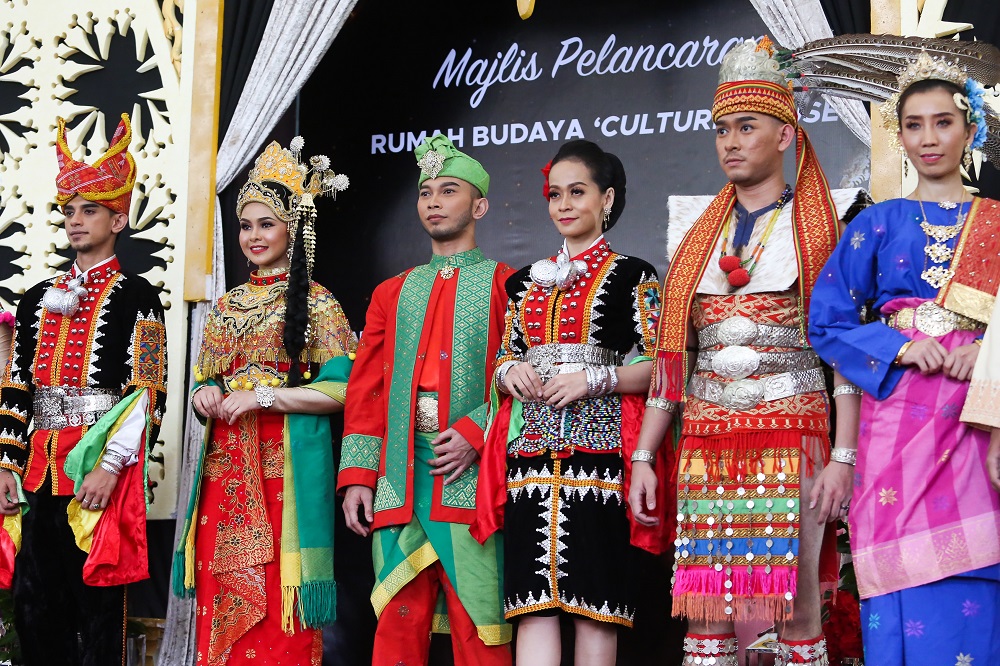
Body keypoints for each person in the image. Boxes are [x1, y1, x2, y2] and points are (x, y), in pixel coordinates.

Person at [627, 37, 866, 666]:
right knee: (706, 616)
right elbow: (673, 359)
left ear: (785, 135)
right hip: (706, 435)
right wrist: (646, 455)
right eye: (721, 129)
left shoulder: (824, 220)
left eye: (747, 127)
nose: (730, 142)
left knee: (799, 605)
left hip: (796, 430)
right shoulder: (694, 228)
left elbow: (840, 355)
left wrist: (844, 456)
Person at [808, 50, 1000, 664]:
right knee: (899, 581)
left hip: (981, 416)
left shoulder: (995, 222)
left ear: (971, 130)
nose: (928, 138)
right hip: (900, 419)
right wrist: (898, 344)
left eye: (943, 122)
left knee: (977, 585)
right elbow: (827, 321)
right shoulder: (878, 222)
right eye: (913, 124)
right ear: (899, 134)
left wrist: (991, 350)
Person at [470, 138, 669, 666]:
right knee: (531, 607)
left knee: (595, 606)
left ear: (606, 199)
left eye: (577, 192)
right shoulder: (523, 283)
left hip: (600, 456)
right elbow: (503, 359)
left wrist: (595, 379)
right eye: (554, 193)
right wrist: (508, 370)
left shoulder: (634, 275)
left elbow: (664, 367)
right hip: (528, 459)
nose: (563, 204)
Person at [172, 138, 355, 666]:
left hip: (285, 473)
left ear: (292, 230)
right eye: (246, 225)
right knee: (219, 588)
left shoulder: (318, 302)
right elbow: (205, 380)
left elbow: (343, 391)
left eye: (266, 224)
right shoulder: (226, 306)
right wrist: (206, 393)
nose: (254, 236)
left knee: (280, 599)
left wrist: (263, 395)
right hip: (226, 472)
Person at [338, 134, 513, 665]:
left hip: (470, 474)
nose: (433, 201)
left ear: (479, 205)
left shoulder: (509, 285)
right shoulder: (392, 293)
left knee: (479, 622)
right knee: (397, 619)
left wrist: (475, 433)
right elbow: (365, 390)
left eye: (449, 190)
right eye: (425, 192)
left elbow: (522, 383)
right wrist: (358, 478)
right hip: (400, 473)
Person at [0, 113, 167, 665]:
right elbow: (15, 385)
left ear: (118, 219)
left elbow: (148, 390)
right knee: (33, 615)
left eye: (88, 210)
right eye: (68, 211)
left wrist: (112, 466)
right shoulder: (35, 298)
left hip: (96, 474)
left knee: (99, 619)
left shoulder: (138, 295)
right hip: (37, 475)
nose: (74, 221)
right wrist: (5, 464)